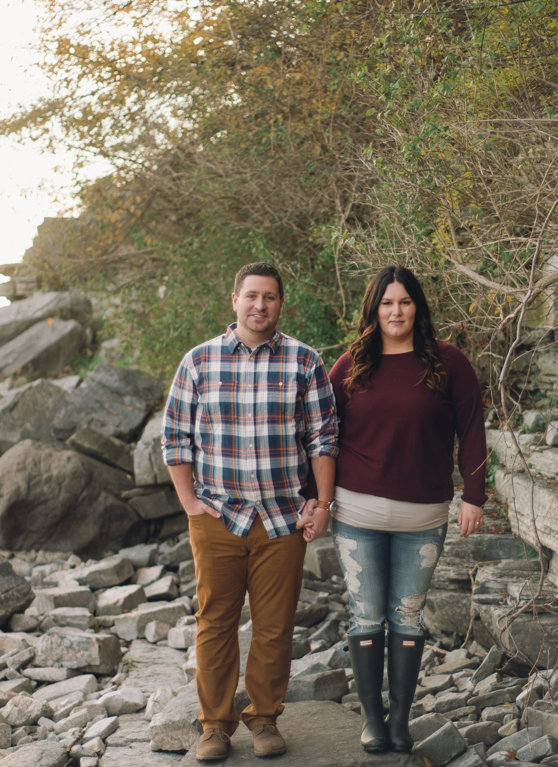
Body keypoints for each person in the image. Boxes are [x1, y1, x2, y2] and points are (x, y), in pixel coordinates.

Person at [161, 262, 339, 762]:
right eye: (252, 296)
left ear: (281, 304)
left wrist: (322, 504)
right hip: (218, 516)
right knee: (215, 621)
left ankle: (264, 718)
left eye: (271, 297)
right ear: (234, 300)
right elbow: (175, 438)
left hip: (283, 519)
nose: (260, 305)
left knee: (275, 625)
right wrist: (190, 504)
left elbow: (324, 437)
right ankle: (214, 726)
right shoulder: (199, 361)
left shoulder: (305, 361)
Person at [328, 265, 487, 753]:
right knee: (366, 615)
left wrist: (474, 495)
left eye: (404, 302)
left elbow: (473, 427)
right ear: (373, 310)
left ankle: (401, 720)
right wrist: (312, 497)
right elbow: (321, 436)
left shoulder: (448, 361)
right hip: (357, 516)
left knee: (408, 617)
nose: (395, 312)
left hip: (425, 518)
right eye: (386, 303)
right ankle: (373, 721)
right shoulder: (350, 365)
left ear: (418, 307)